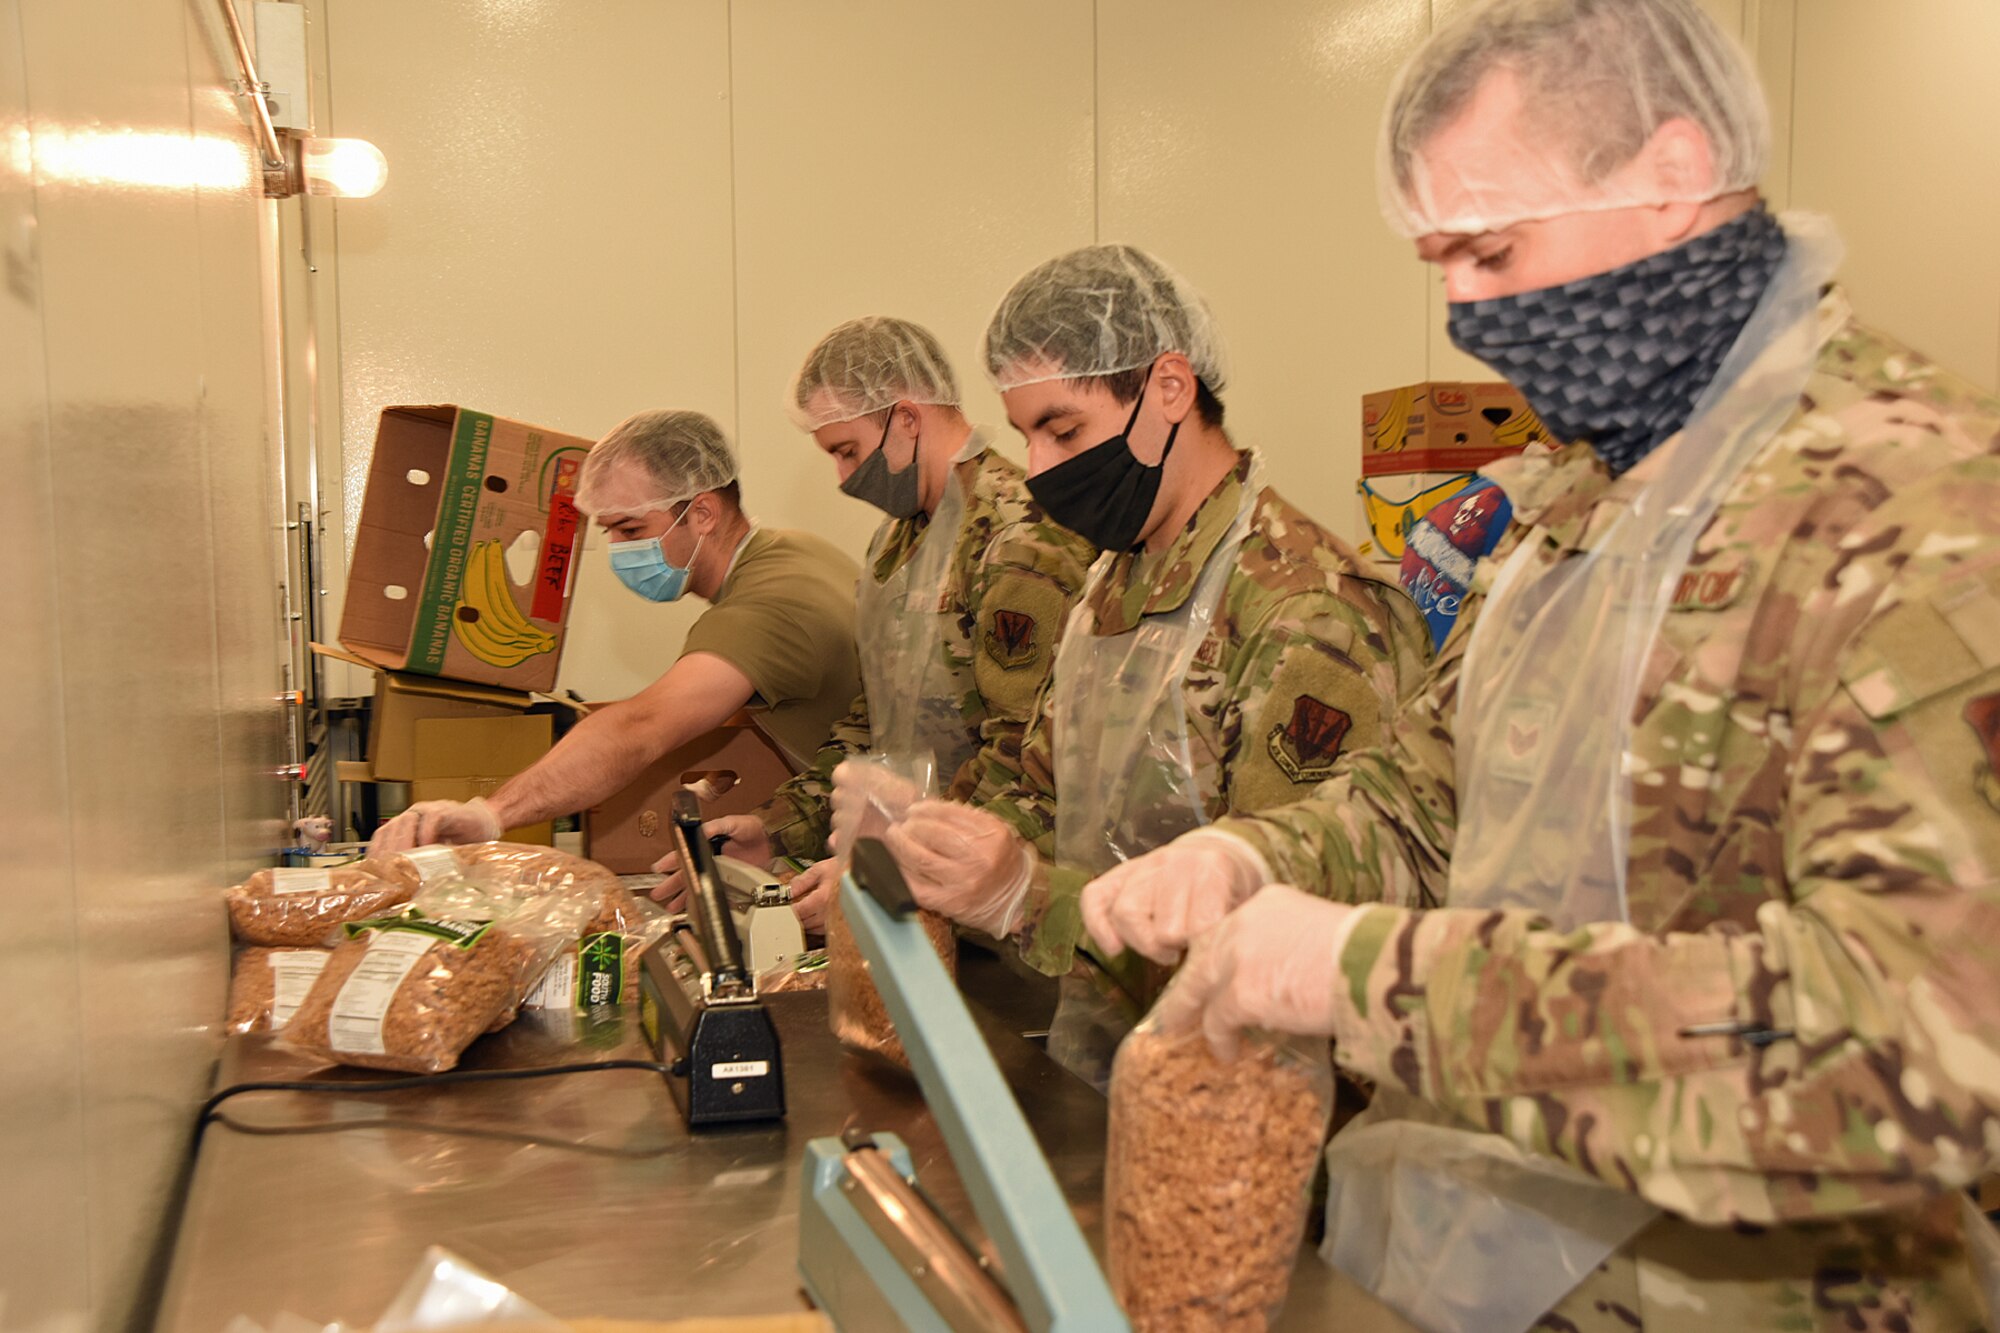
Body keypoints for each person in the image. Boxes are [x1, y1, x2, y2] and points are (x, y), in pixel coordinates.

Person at [1087, 2, 2000, 1328]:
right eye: (1438, 260)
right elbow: (1436, 793)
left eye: (1492, 248)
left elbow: (1918, 1040)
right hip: (1482, 1270)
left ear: (1675, 176)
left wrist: (1370, 978)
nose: (1460, 309)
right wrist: (1260, 861)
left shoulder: (1915, 512)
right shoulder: (1587, 498)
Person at [839, 244, 1430, 1083]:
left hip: (1247, 1105)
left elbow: (1290, 919)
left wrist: (1027, 897)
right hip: (1108, 1064)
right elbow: (1041, 787)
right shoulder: (1113, 580)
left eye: (1063, 428)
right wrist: (929, 841)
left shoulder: (1308, 610)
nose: (1038, 470)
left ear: (1169, 391)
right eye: (1026, 435)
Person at [657, 317, 1096, 930]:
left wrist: (891, 864)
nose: (842, 478)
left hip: (1014, 905)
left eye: (847, 451)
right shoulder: (897, 545)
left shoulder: (1017, 538)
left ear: (908, 420)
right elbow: (874, 729)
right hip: (927, 899)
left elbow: (1026, 755)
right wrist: (778, 831)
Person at [369, 409, 863, 881]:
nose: (622, 552)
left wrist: (489, 813)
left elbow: (639, 727)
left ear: (704, 513)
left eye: (632, 529)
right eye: (612, 534)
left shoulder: (766, 608)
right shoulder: (792, 551)